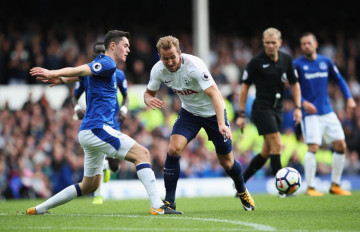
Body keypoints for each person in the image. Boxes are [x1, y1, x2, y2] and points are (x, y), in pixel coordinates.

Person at [27, 30, 182, 215]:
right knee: (143, 153)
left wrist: (60, 79)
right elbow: (80, 70)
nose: (128, 50)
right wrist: (54, 72)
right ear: (113, 46)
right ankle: (157, 206)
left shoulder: (102, 66)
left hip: (88, 131)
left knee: (89, 185)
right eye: (125, 46)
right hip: (97, 128)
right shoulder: (108, 62)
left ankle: (39, 209)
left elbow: (76, 76)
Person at [144, 35, 255, 211]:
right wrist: (148, 99)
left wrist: (221, 123)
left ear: (179, 53)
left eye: (173, 57)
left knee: (227, 162)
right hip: (190, 113)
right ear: (160, 57)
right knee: (173, 148)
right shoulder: (158, 70)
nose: (170, 61)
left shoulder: (194, 66)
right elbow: (148, 93)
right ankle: (169, 203)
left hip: (213, 113)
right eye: (166, 58)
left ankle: (241, 190)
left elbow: (216, 95)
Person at [235, 28, 302, 197]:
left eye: (274, 43)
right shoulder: (256, 62)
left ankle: (240, 184)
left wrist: (298, 107)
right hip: (261, 109)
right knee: (277, 145)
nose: (271, 46)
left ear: (280, 43)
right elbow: (244, 89)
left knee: (267, 151)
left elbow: (294, 84)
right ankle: (283, 189)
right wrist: (241, 114)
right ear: (263, 43)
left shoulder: (286, 59)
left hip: (277, 109)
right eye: (267, 43)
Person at [293, 32, 356, 196]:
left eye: (309, 43)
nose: (306, 46)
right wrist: (303, 103)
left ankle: (335, 185)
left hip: (327, 111)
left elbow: (340, 80)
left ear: (316, 45)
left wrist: (349, 98)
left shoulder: (325, 61)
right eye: (303, 44)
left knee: (341, 145)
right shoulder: (297, 64)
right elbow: (291, 87)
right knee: (313, 147)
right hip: (310, 114)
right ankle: (310, 187)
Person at [72, 42, 127, 204]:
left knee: (115, 165)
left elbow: (127, 96)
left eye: (102, 52)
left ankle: (108, 167)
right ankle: (98, 195)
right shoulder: (87, 74)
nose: (100, 55)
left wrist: (124, 109)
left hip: (113, 120)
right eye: (97, 53)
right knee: (98, 154)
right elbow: (74, 95)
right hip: (95, 120)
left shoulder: (119, 74)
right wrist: (76, 107)